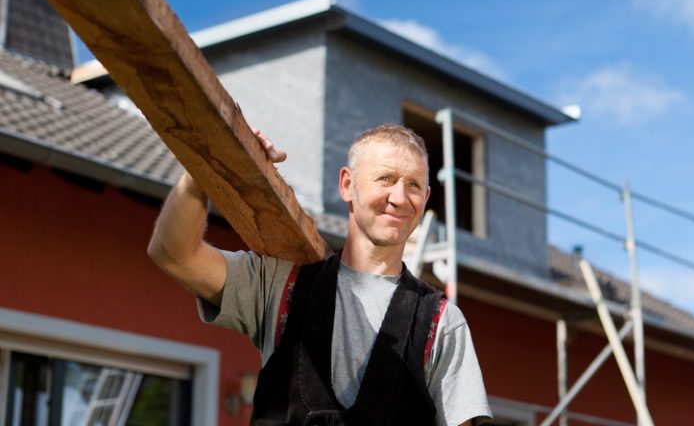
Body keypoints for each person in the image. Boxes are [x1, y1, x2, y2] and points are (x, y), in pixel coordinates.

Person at [148, 123, 491, 425]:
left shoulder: (441, 323)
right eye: (385, 178)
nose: (400, 197)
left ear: (426, 197)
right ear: (347, 184)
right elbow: (174, 254)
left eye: (414, 185)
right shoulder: (283, 286)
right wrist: (203, 166)